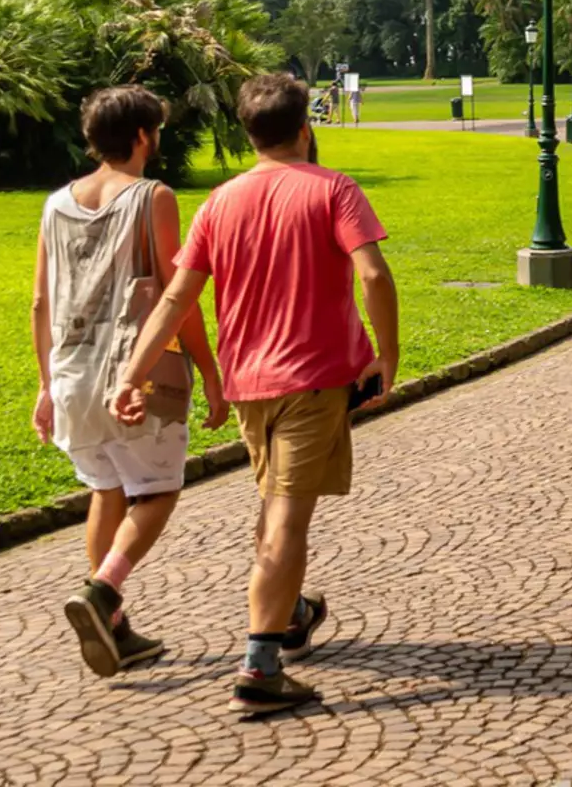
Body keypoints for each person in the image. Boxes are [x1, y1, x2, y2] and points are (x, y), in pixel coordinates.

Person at [111, 74, 400, 718]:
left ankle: (291, 611)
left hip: (249, 384)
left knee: (275, 505)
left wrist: (132, 373)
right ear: (305, 127)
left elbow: (177, 297)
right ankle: (260, 665)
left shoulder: (220, 201)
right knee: (287, 519)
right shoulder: (334, 189)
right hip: (315, 379)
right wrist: (389, 354)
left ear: (249, 133)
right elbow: (374, 274)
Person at [32, 86, 228, 679]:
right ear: (143, 136)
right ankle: (103, 593)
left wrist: (45, 384)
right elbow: (177, 297)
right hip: (136, 377)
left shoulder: (54, 204)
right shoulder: (153, 198)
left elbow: (40, 301)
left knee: (106, 489)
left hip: (70, 375)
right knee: (158, 491)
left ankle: (113, 631)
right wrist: (211, 372)